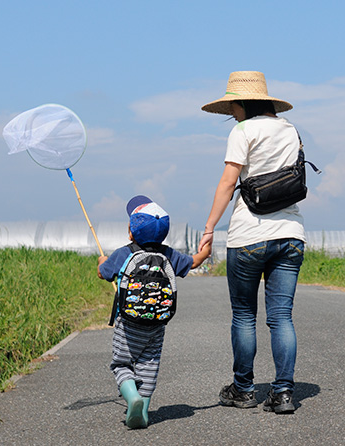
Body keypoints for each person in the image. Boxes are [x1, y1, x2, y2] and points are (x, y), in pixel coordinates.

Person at [199, 71, 306, 414]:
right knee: (281, 317)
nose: (231, 112)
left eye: (233, 105)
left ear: (244, 102)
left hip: (248, 236)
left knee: (244, 315)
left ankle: (244, 389)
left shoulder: (242, 131)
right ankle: (284, 392)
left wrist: (209, 227)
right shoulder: (290, 129)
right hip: (290, 233)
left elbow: (228, 182)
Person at [98, 195, 210, 428]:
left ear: (131, 232)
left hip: (128, 323)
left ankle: (132, 398)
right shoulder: (168, 254)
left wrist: (102, 261)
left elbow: (103, 273)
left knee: (122, 364)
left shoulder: (124, 253)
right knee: (149, 365)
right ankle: (144, 412)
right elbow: (195, 262)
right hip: (157, 324)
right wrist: (205, 251)